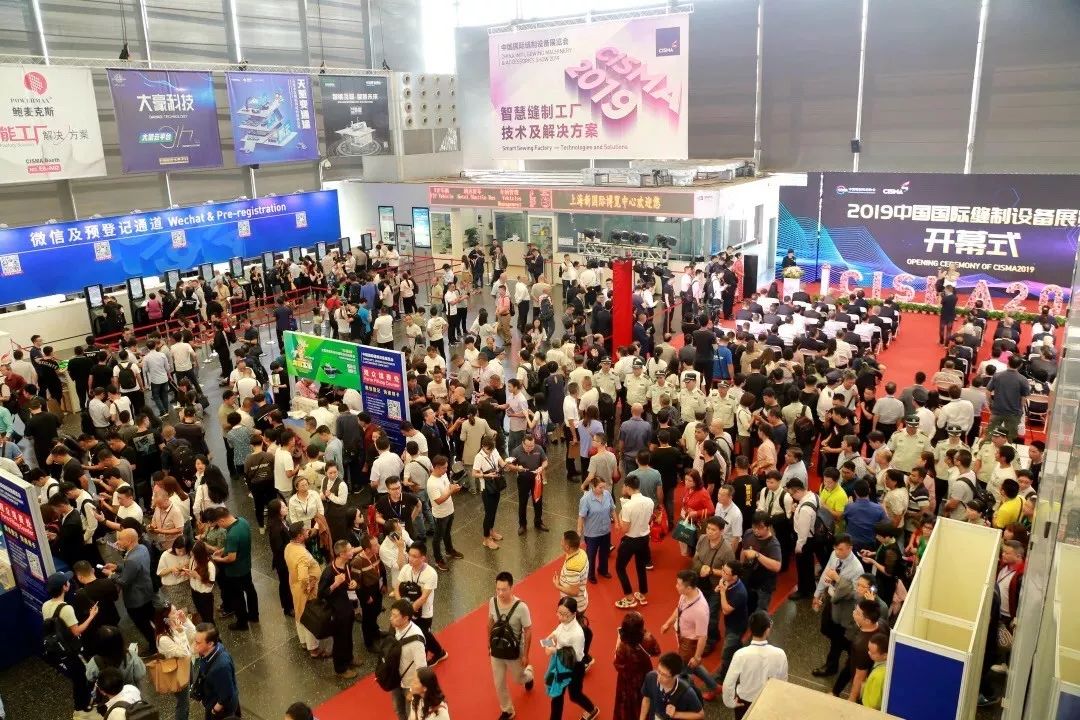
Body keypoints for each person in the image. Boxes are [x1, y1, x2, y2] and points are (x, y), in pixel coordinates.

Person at [43, 571, 97, 718]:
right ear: (64, 587)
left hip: (59, 649)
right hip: (71, 649)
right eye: (67, 582)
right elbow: (76, 631)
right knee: (81, 678)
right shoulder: (66, 608)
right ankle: (82, 706)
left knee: (76, 677)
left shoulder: (45, 605)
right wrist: (91, 616)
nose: (69, 582)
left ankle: (81, 703)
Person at [662, 569, 719, 700]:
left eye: (679, 584)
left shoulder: (700, 610)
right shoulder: (685, 595)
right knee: (693, 666)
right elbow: (679, 609)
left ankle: (690, 699)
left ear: (688, 588)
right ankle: (714, 687)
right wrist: (668, 623)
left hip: (689, 645)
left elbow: (703, 636)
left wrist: (697, 656)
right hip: (683, 639)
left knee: (683, 673)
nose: (676, 586)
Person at [722, 611, 789, 718]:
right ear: (767, 630)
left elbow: (728, 683)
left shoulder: (740, 655)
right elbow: (783, 682)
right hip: (768, 701)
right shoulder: (780, 654)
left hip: (745, 703)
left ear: (750, 629)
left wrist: (730, 702)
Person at [544, 597, 599, 720]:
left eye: (565, 614)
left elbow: (578, 657)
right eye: (559, 612)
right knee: (557, 695)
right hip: (561, 664)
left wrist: (554, 651)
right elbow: (557, 633)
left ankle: (592, 709)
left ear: (574, 614)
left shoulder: (577, 634)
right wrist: (548, 640)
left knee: (575, 695)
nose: (561, 617)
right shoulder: (564, 622)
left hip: (574, 668)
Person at [489, 571, 535, 720]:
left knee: (519, 679)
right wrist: (489, 644)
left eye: (504, 589)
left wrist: (526, 655)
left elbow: (528, 631)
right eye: (498, 589)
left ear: (511, 587)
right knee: (499, 683)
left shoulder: (521, 607)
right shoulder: (492, 601)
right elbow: (490, 623)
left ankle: (529, 674)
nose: (500, 593)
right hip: (497, 649)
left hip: (515, 651)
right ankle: (508, 710)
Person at [395, 542, 448, 666]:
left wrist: (406, 612)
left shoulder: (431, 573)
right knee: (421, 634)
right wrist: (401, 606)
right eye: (409, 555)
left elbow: (424, 598)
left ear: (423, 558)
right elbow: (397, 587)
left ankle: (423, 664)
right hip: (408, 610)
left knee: (422, 636)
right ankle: (439, 653)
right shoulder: (406, 568)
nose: (410, 558)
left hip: (424, 613)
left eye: (414, 556)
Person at [101, 528, 155, 647]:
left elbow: (124, 581)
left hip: (136, 599)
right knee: (151, 617)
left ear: (129, 541)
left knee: (143, 624)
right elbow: (134, 568)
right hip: (146, 591)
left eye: (120, 539)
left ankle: (153, 645)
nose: (117, 542)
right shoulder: (142, 548)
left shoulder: (132, 559)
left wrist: (111, 575)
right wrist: (117, 567)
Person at [211, 508, 259, 631]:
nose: (220, 527)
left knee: (237, 597)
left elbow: (231, 558)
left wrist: (218, 558)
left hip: (235, 571)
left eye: (219, 524)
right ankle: (254, 615)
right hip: (246, 565)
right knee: (250, 590)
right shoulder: (243, 521)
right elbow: (236, 544)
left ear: (222, 520)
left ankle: (242, 623)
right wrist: (222, 550)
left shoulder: (232, 534)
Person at [319, 539, 360, 679]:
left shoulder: (346, 564)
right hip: (337, 612)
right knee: (340, 639)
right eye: (349, 549)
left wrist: (354, 582)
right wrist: (335, 584)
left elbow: (349, 579)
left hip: (347, 607)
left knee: (348, 635)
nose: (352, 550)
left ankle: (349, 658)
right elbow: (321, 594)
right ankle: (341, 668)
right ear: (342, 554)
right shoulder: (329, 572)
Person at [614, 475, 654, 609]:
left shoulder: (628, 506)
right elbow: (649, 519)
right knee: (640, 566)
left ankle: (629, 597)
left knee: (620, 567)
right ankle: (642, 593)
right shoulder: (649, 501)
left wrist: (620, 516)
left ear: (627, 487)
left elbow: (625, 529)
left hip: (631, 540)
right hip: (644, 538)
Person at [612, 611, 660, 720]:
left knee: (627, 704)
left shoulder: (623, 646)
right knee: (645, 697)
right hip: (645, 673)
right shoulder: (648, 638)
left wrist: (618, 640)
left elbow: (617, 664)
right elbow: (657, 651)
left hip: (627, 679)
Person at [153, 603, 197, 720]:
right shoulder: (163, 639)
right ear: (165, 619)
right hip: (178, 672)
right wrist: (181, 632)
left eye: (176, 609)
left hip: (187, 664)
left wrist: (185, 620)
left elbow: (194, 635)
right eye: (173, 612)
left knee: (189, 689)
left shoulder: (175, 625)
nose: (178, 612)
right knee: (183, 703)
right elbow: (184, 652)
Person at [388, 599, 429, 720]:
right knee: (398, 710)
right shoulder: (395, 627)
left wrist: (412, 691)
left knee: (412, 714)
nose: (391, 618)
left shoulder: (416, 640)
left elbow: (422, 669)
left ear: (405, 618)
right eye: (391, 614)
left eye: (395, 616)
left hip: (409, 685)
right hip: (396, 680)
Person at [192, 623, 239, 719]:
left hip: (221, 710)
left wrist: (214, 710)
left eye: (198, 643)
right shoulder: (215, 648)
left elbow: (226, 694)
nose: (194, 645)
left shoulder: (221, 667)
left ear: (210, 644)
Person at [506, 434, 550, 535]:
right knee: (523, 502)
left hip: (536, 479)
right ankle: (522, 525)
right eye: (528, 446)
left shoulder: (539, 448)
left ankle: (538, 522)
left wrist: (542, 467)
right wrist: (517, 468)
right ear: (523, 444)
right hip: (523, 479)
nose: (530, 448)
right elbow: (509, 465)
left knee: (538, 501)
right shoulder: (516, 451)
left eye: (532, 446)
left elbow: (545, 461)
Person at [739, 512, 783, 613]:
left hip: (764, 584)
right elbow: (744, 550)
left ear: (768, 527)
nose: (756, 530)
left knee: (760, 612)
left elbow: (777, 566)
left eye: (760, 527)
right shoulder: (748, 533)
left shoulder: (773, 544)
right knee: (747, 606)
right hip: (749, 578)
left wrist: (757, 555)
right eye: (754, 526)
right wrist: (741, 567)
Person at [639, 652, 705, 720]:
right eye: (659, 671)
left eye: (664, 675)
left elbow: (700, 715)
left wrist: (676, 714)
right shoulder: (651, 677)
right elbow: (646, 699)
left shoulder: (687, 693)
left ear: (676, 676)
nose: (659, 677)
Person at [426, 455, 463, 571]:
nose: (446, 470)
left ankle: (449, 550)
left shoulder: (443, 475)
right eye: (444, 468)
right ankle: (438, 560)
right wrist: (452, 491)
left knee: (447, 532)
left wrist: (453, 487)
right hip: (440, 514)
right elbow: (438, 501)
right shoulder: (431, 483)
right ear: (436, 467)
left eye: (446, 467)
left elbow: (447, 486)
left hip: (449, 510)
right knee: (438, 537)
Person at [577, 478, 615, 584]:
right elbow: (581, 516)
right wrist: (579, 530)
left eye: (604, 487)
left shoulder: (607, 494)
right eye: (600, 487)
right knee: (591, 555)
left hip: (605, 530)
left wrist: (616, 522)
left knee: (604, 552)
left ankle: (603, 570)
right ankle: (590, 574)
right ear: (593, 487)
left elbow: (612, 509)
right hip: (592, 533)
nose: (603, 489)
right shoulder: (586, 499)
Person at [473, 436, 506, 550]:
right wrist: (485, 475)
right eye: (489, 449)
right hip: (487, 488)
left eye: (492, 449)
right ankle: (486, 539)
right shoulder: (479, 457)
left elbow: (501, 463)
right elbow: (474, 473)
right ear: (483, 446)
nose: (491, 451)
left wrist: (507, 463)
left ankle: (491, 531)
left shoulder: (494, 450)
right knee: (489, 514)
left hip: (496, 484)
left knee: (494, 511)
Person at [861, 632, 890, 709]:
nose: (869, 653)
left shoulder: (879, 676)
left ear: (885, 655)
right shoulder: (881, 663)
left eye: (873, 652)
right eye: (869, 649)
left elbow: (874, 704)